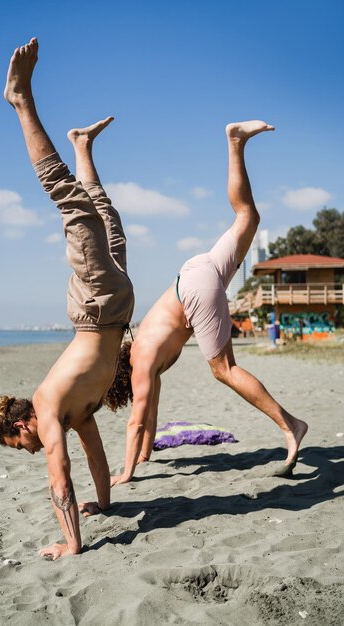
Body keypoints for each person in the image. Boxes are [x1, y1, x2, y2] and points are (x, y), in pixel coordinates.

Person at [109, 120, 308, 487]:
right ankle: (235, 143)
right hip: (193, 273)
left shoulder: (140, 364)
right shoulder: (142, 352)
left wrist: (126, 472)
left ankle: (291, 425)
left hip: (194, 289)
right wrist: (145, 454)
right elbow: (149, 414)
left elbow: (136, 419)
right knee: (248, 216)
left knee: (223, 369)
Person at [0, 38, 134, 560]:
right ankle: (81, 146)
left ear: (23, 425)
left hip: (98, 306)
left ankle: (20, 99)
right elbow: (96, 459)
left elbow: (61, 475)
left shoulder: (51, 408)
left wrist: (72, 543)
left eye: (20, 445)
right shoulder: (76, 411)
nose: (30, 450)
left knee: (72, 203)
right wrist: (106, 504)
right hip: (116, 307)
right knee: (108, 222)